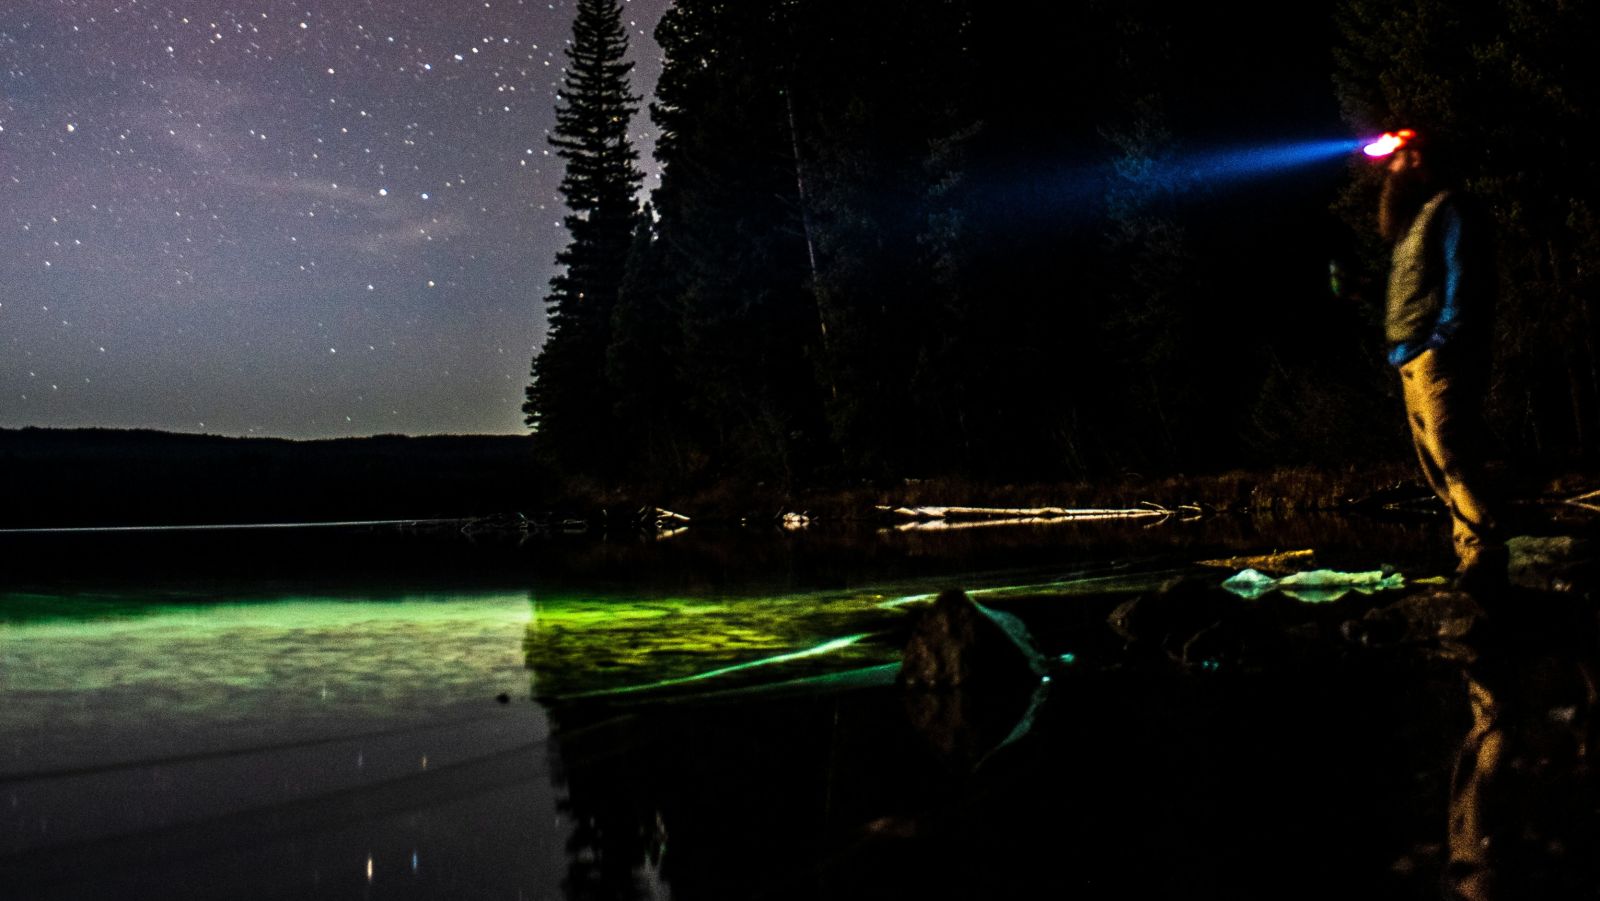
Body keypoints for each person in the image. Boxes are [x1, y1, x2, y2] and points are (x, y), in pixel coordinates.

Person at [1371, 129, 1506, 592]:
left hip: (1438, 357)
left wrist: (1444, 337)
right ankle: (1469, 555)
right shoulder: (1413, 222)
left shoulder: (1450, 207)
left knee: (1455, 454)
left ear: (1419, 162)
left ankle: (1485, 558)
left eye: (1397, 160)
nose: (1389, 170)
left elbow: (1464, 275)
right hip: (1409, 358)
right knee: (1436, 465)